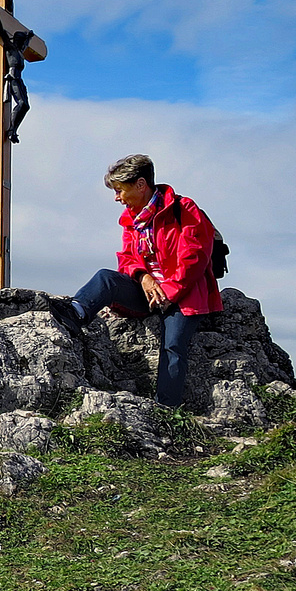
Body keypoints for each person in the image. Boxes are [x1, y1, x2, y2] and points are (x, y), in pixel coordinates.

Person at [57, 154, 223, 408]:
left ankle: (168, 409)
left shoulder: (185, 209)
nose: (117, 197)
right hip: (148, 291)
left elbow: (195, 258)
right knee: (105, 278)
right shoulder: (131, 218)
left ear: (141, 184)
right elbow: (126, 257)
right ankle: (75, 313)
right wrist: (143, 277)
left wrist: (168, 291)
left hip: (185, 294)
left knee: (173, 346)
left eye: (119, 190)